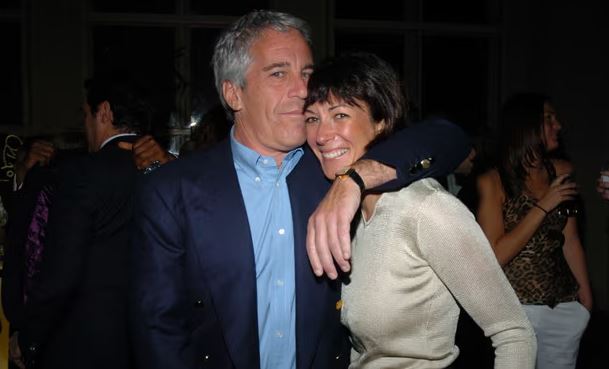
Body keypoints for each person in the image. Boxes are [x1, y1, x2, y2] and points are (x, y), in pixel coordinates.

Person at [130, 10, 471, 369]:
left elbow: (450, 137)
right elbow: (158, 329)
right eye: (279, 73)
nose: (302, 91)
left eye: (307, 74)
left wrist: (354, 180)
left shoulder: (334, 165)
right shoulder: (173, 191)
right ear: (234, 93)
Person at [303, 52, 536, 369]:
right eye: (312, 119)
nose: (321, 134)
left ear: (381, 121)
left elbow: (515, 335)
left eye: (340, 115)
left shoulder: (424, 208)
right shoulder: (345, 213)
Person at [8, 76, 152, 369]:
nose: (85, 125)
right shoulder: (167, 169)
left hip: (86, 343)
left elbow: (60, 274)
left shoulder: (83, 174)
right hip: (148, 340)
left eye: (86, 115)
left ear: (105, 112)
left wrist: (30, 338)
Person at [477, 93, 592, 369]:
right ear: (524, 127)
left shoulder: (561, 171)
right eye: (548, 119)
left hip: (564, 307)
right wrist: (543, 206)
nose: (558, 126)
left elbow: (570, 239)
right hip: (515, 310)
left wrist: (586, 299)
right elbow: (495, 255)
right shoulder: (493, 181)